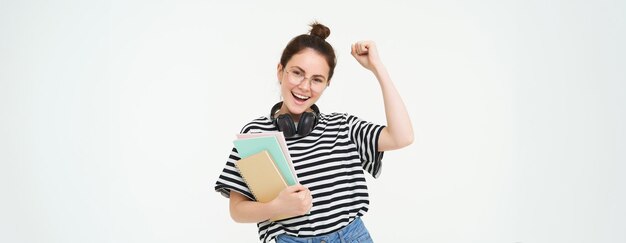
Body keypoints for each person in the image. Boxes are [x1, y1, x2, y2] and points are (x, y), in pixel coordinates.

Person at [214, 22, 413, 243]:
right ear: (280, 71)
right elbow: (237, 210)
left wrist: (378, 67)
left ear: (327, 84)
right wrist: (276, 207)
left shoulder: (342, 126)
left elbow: (402, 136)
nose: (305, 87)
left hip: (352, 236)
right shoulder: (256, 134)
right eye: (297, 73)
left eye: (317, 79)